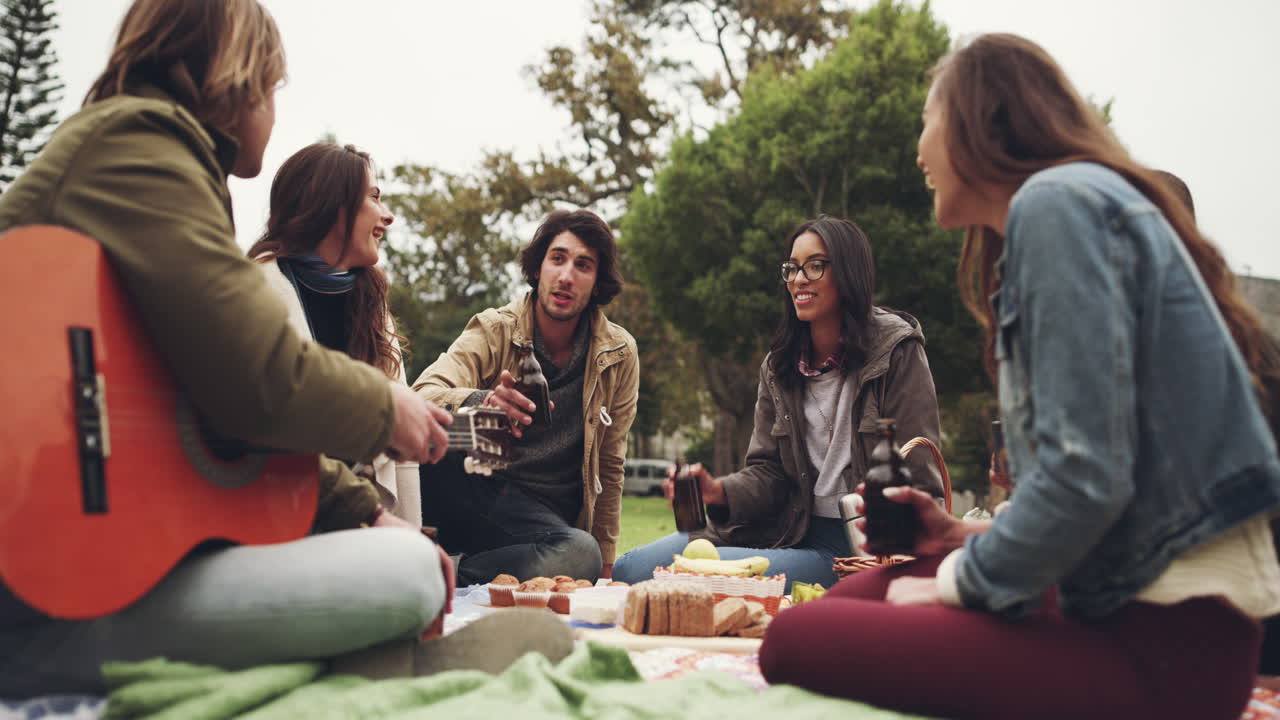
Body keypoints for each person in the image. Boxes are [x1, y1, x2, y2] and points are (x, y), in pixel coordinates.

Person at [0, 0, 570, 698]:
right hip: (38, 579)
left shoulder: (136, 158)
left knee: (399, 553)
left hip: (91, 556)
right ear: (235, 80)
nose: (273, 106)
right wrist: (386, 408)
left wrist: (362, 510)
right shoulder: (140, 146)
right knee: (409, 575)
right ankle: (67, 652)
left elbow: (213, 413)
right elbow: (258, 379)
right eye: (272, 88)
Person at [759, 34, 1280, 720]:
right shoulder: (1068, 207)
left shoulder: (1055, 205)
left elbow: (1086, 479)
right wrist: (957, 540)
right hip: (1124, 596)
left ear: (978, 121)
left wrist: (962, 583)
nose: (919, 149)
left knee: (796, 638)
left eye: (928, 118)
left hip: (1166, 638)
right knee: (860, 595)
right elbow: (1107, 490)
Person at [612, 216, 944, 591]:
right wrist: (718, 491)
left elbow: (920, 475)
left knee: (686, 578)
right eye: (792, 268)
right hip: (785, 532)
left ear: (849, 271)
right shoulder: (779, 366)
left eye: (816, 266)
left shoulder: (896, 353)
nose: (799, 279)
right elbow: (770, 474)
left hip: (855, 549)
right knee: (631, 568)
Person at [413, 209, 638, 586]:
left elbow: (611, 466)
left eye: (583, 265)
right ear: (537, 269)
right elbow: (421, 395)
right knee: (431, 436)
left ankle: (449, 574)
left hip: (544, 522)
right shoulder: (495, 329)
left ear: (597, 284)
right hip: (476, 490)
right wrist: (483, 402)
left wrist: (605, 568)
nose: (566, 276)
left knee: (581, 553)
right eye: (557, 258)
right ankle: (441, 565)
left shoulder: (618, 354)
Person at [249, 142, 421, 526]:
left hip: (360, 520)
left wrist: (412, 543)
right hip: (275, 518)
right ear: (333, 205)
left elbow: (400, 459)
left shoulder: (373, 309)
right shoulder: (254, 294)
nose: (387, 216)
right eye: (374, 198)